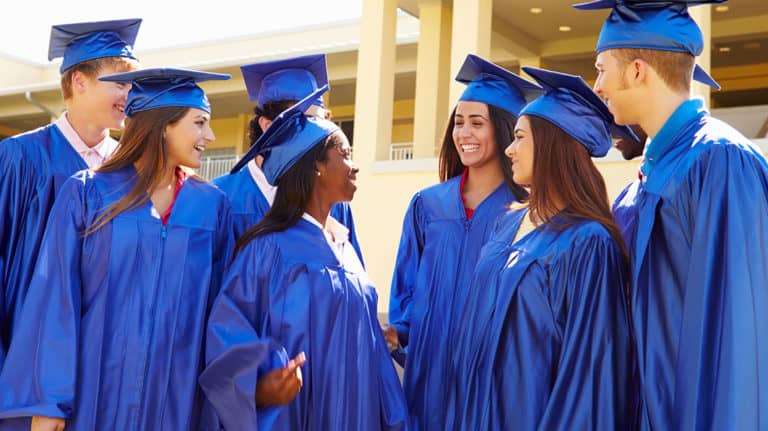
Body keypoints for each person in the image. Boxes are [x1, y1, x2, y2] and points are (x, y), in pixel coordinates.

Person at [0, 68, 234, 431]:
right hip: (93, 397)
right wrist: (48, 402)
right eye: (199, 123)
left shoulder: (212, 207)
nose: (210, 136)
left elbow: (224, 310)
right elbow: (55, 299)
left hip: (173, 403)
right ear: (164, 125)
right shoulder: (88, 194)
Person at [576, 0, 768, 428]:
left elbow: (741, 337)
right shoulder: (641, 185)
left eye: (602, 68)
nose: (597, 85)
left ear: (637, 70)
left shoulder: (719, 161)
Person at [200, 86, 407, 430]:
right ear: (317, 168)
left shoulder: (346, 248)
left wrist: (395, 420)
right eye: (346, 154)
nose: (355, 166)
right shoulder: (268, 250)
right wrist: (259, 387)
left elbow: (374, 355)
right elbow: (227, 332)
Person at [447, 66, 636, 430]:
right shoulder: (507, 224)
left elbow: (589, 373)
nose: (509, 149)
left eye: (519, 138)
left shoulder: (588, 242)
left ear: (551, 146)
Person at [386, 54, 540, 430]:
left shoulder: (522, 212)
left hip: (489, 387)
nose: (464, 134)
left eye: (477, 123)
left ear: (502, 131)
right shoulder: (427, 206)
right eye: (458, 123)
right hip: (427, 382)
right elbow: (405, 296)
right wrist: (401, 337)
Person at [0, 19, 141, 370]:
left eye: (132, 86)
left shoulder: (129, 170)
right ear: (79, 81)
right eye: (120, 84)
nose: (130, 95)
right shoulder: (22, 157)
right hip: (26, 357)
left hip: (101, 363)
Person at [215, 54, 363, 263]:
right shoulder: (222, 198)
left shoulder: (331, 197)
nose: (317, 133)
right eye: (306, 121)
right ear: (267, 126)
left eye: (320, 121)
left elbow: (353, 279)